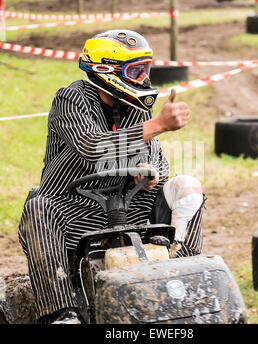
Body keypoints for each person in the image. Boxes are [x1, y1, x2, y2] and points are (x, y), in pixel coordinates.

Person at [18, 29, 205, 324]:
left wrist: (152, 173)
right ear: (105, 71)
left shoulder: (137, 108)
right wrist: (157, 124)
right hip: (73, 210)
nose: (144, 78)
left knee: (187, 187)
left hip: (130, 208)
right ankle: (63, 313)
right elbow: (91, 146)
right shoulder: (70, 99)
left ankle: (181, 278)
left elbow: (158, 160)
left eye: (145, 69)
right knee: (37, 206)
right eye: (135, 70)